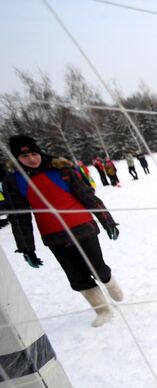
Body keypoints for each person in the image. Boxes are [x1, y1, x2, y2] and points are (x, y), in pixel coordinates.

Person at [4, 135, 123, 327]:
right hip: (54, 236)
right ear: (16, 158)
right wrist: (26, 248)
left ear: (40, 152)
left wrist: (107, 222)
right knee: (77, 277)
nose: (32, 159)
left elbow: (88, 197)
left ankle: (109, 282)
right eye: (25, 157)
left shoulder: (61, 170)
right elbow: (20, 218)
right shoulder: (13, 182)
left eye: (34, 153)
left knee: (97, 267)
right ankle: (103, 310)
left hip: (83, 227)